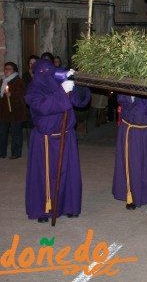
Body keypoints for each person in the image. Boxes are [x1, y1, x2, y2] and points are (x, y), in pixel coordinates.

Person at [24, 59, 90, 223]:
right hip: (45, 139)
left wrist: (77, 83)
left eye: (50, 69)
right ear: (36, 74)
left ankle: (69, 206)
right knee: (44, 174)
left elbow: (80, 102)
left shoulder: (60, 81)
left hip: (66, 136)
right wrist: (62, 92)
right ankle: (43, 208)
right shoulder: (32, 91)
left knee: (68, 172)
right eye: (42, 71)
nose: (47, 74)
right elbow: (43, 107)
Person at [113, 94, 147, 209]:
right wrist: (131, 97)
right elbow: (121, 98)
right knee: (132, 164)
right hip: (130, 130)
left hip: (146, 131)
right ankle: (131, 196)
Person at [0, 62, 27, 159]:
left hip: (15, 112)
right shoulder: (2, 81)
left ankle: (16, 153)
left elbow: (22, 96)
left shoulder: (18, 81)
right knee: (1, 133)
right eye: (5, 68)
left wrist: (12, 95)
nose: (6, 70)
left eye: (9, 69)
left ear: (14, 70)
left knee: (15, 133)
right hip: (3, 112)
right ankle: (0, 152)